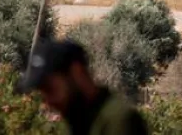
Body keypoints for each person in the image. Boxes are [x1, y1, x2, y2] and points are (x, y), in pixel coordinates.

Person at [20, 38, 149, 135]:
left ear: (77, 72)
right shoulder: (78, 121)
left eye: (49, 89)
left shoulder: (118, 121)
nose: (48, 102)